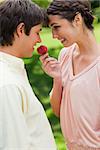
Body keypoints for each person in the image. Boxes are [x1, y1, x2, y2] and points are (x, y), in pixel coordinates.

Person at [40, 0, 100, 149]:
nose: (54, 35)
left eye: (57, 27)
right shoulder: (65, 55)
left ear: (77, 20)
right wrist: (57, 78)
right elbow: (57, 110)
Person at [0, 0, 57, 150]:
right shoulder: (7, 83)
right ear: (21, 29)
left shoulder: (12, 72)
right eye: (37, 32)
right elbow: (12, 145)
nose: (39, 40)